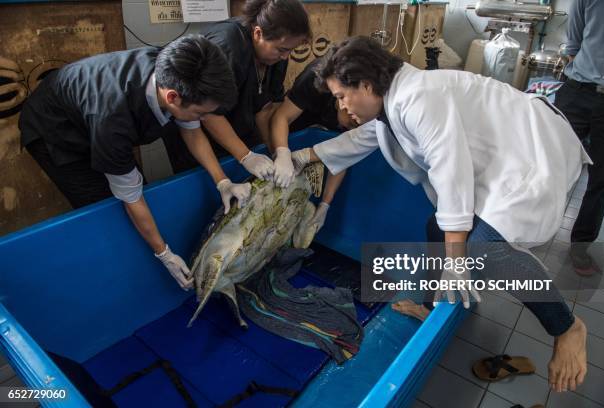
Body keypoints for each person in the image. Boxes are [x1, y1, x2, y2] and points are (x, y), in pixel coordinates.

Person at [291, 36, 591, 393]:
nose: (341, 106)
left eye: (341, 96)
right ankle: (435, 307)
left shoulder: (418, 97)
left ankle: (567, 326)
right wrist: (299, 157)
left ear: (366, 85)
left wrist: (456, 260)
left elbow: (452, 172)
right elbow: (364, 138)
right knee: (438, 226)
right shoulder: (393, 101)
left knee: (479, 253)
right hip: (502, 154)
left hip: (532, 150)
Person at [19, 35, 251, 290]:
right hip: (54, 131)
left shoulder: (175, 68)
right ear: (172, 97)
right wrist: (165, 255)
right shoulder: (113, 122)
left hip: (91, 112)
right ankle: (124, 278)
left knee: (140, 197)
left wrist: (222, 181)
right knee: (108, 207)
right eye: (201, 112)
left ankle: (147, 255)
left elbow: (192, 130)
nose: (205, 119)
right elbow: (131, 198)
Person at [162, 0, 311, 178]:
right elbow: (208, 112)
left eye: (290, 50)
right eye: (282, 49)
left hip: (238, 124)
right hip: (197, 128)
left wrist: (276, 153)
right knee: (211, 183)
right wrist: (245, 156)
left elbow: (266, 109)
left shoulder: (278, 56)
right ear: (258, 33)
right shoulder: (228, 45)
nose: (286, 56)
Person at [554, 0, 604, 275]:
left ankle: (580, 245)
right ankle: (524, 228)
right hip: (577, 93)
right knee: (550, 164)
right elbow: (573, 44)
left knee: (602, 179)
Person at [270, 58, 359, 231]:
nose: (357, 124)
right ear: (342, 100)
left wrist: (325, 203)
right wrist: (281, 152)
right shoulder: (315, 79)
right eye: (354, 124)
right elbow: (280, 117)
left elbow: (345, 153)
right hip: (299, 120)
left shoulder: (362, 112)